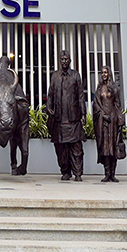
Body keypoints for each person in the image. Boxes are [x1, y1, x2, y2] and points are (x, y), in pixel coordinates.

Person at [45, 49, 87, 181]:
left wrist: (83, 113)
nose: (64, 61)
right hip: (58, 119)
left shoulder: (75, 75)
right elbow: (50, 94)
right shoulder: (55, 76)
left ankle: (78, 173)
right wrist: (49, 107)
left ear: (70, 60)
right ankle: (65, 172)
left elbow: (81, 96)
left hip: (73, 118)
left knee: (76, 148)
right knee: (61, 149)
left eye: (66, 59)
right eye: (62, 59)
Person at [93, 65, 125, 182]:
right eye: (102, 72)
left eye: (106, 72)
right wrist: (102, 114)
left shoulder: (114, 87)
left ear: (109, 73)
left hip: (112, 120)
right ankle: (106, 173)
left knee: (113, 146)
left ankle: (113, 173)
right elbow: (96, 103)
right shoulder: (99, 88)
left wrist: (120, 119)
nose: (104, 74)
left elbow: (118, 104)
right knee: (105, 147)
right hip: (103, 121)